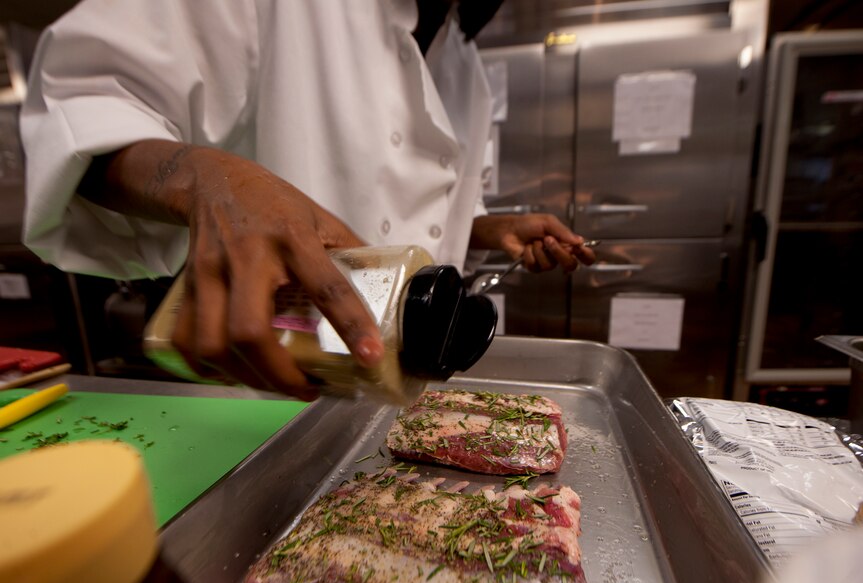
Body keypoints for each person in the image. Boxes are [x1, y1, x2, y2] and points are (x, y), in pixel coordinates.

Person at [20, 0, 595, 398]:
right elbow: (84, 105)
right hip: (264, 388)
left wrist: (489, 227)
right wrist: (205, 180)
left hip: (398, 391)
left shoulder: (462, 57)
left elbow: (428, 189)